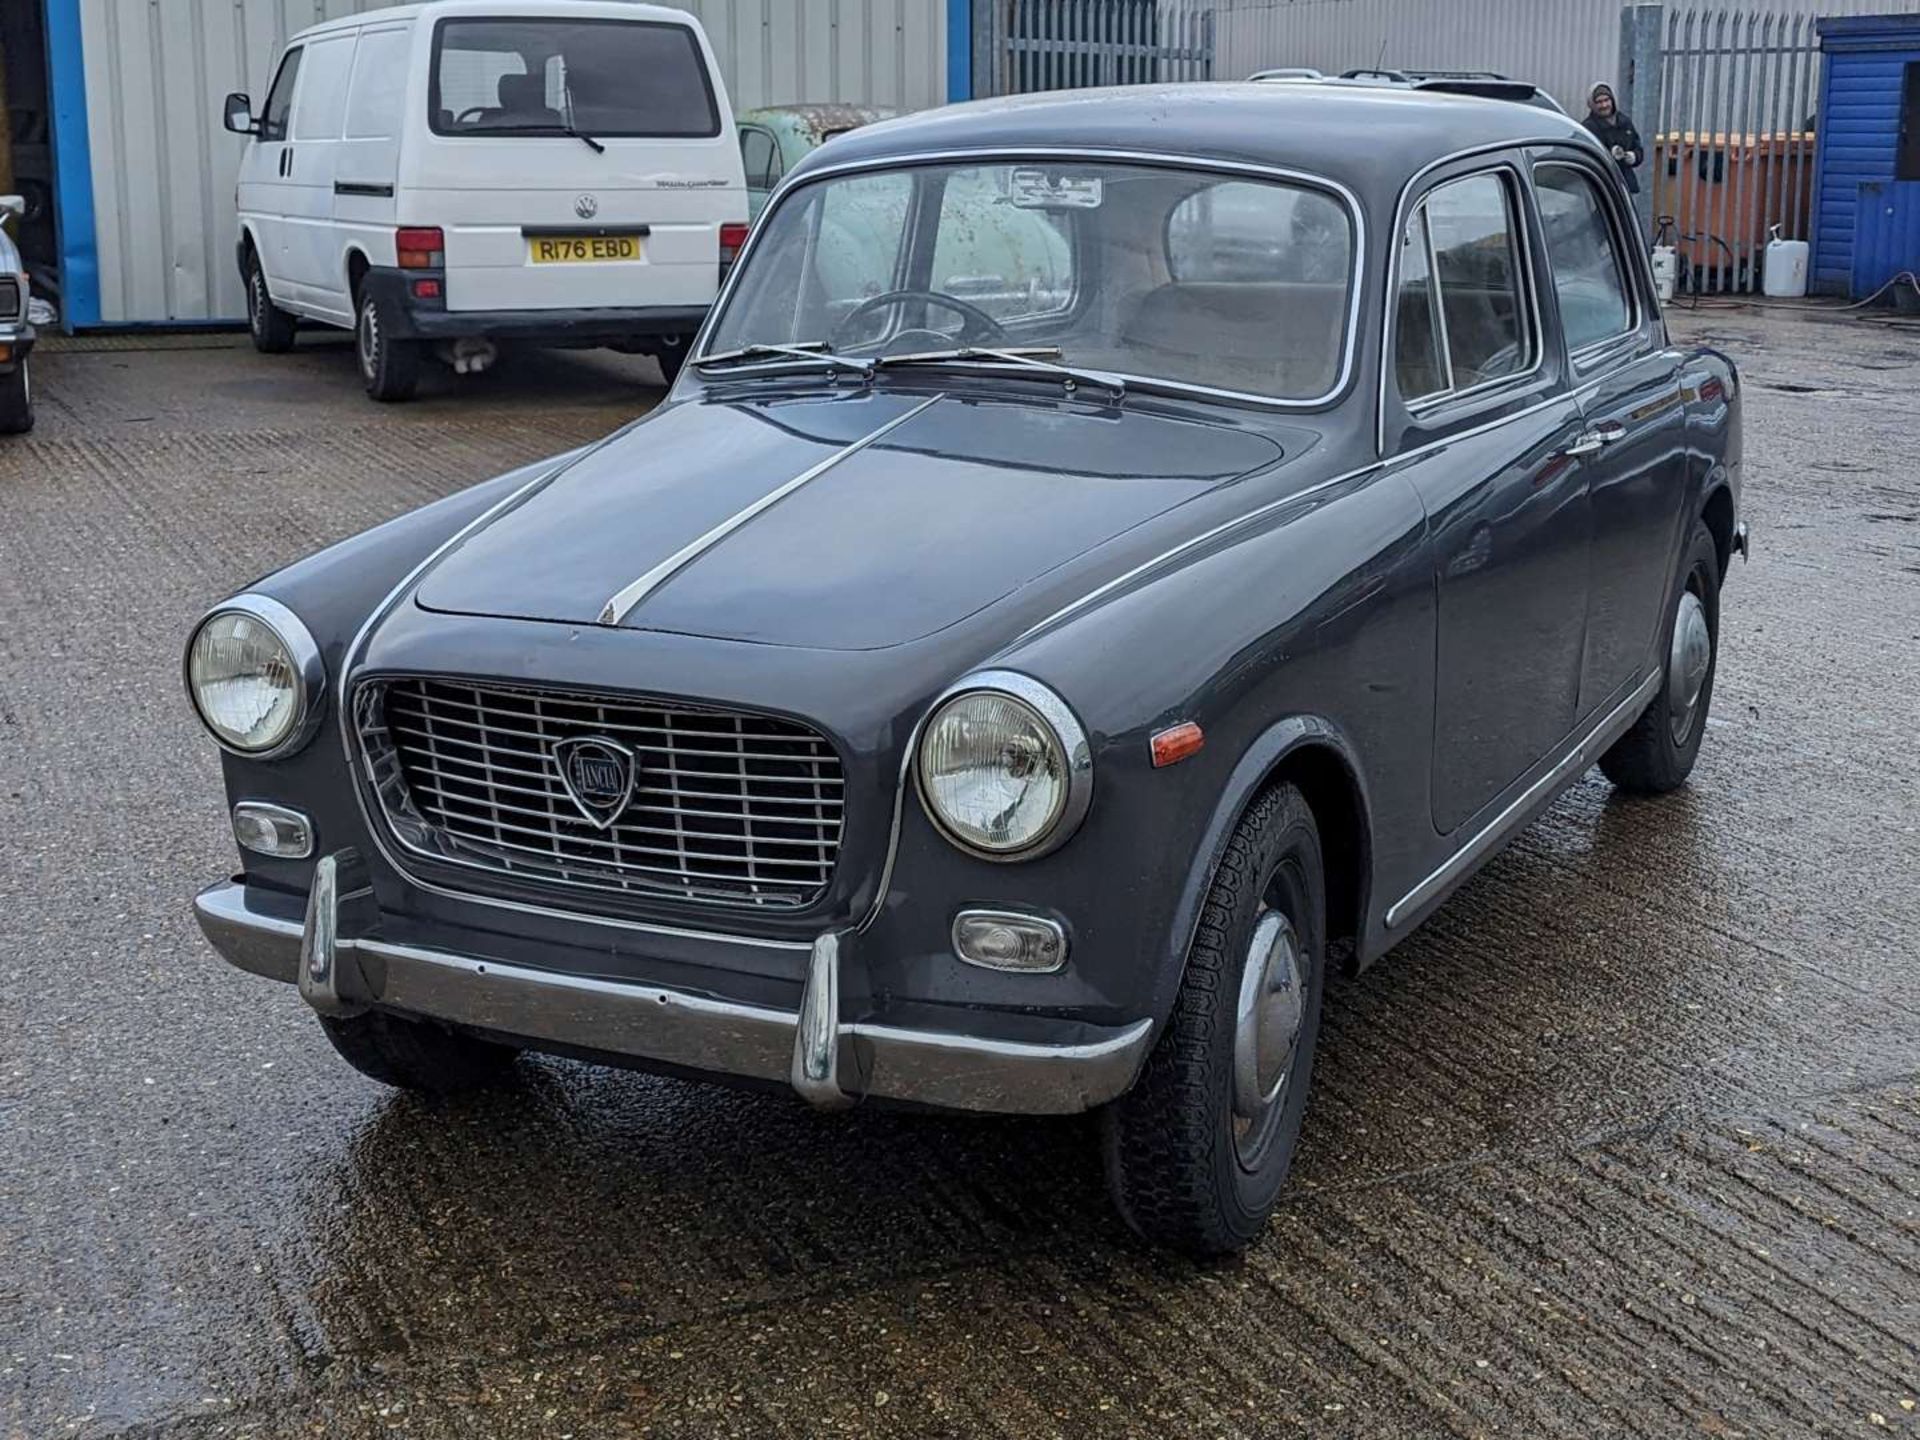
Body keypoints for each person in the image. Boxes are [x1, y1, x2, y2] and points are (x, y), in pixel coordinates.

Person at [1583, 82, 1644, 193]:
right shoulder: (1588, 128)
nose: (1604, 105)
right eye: (1599, 102)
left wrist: (1634, 156)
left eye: (1607, 100)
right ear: (1592, 104)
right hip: (1602, 187)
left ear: (1612, 100)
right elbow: (1586, 158)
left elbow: (1638, 147)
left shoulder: (1625, 122)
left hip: (1627, 185)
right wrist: (1608, 156)